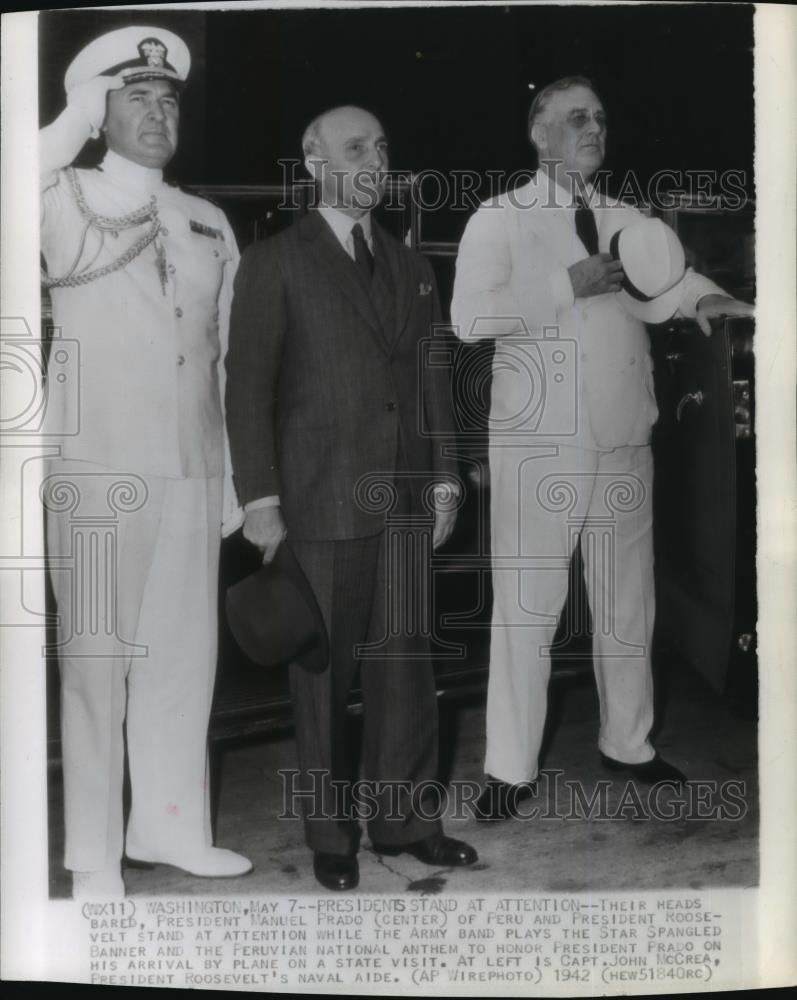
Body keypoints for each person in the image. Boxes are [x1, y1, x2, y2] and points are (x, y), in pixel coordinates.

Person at [450, 76, 754, 821]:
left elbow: (672, 282)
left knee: (628, 606)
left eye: (601, 119)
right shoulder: (499, 217)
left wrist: (707, 297)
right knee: (528, 609)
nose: (593, 128)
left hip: (623, 435)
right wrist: (564, 284)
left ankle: (629, 743)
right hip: (539, 446)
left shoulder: (627, 217)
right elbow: (466, 319)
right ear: (538, 133)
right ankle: (509, 769)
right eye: (575, 118)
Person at [226, 105, 478, 891]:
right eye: (356, 146)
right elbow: (246, 389)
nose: (375, 158)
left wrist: (444, 475)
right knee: (322, 683)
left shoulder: (411, 265)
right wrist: (260, 500)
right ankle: (330, 838)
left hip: (404, 502)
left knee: (406, 674)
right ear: (313, 162)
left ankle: (407, 823)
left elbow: (432, 379)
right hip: (317, 502)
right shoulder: (275, 261)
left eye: (383, 145)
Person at [40, 25, 251, 896]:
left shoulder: (207, 218)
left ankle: (169, 830)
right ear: (98, 109)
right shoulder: (60, 193)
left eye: (169, 100)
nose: (160, 112)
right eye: (137, 97)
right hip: (96, 463)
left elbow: (222, 357)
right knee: (97, 664)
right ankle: (92, 856)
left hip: (191, 465)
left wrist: (233, 477)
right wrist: (71, 117)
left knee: (181, 658)